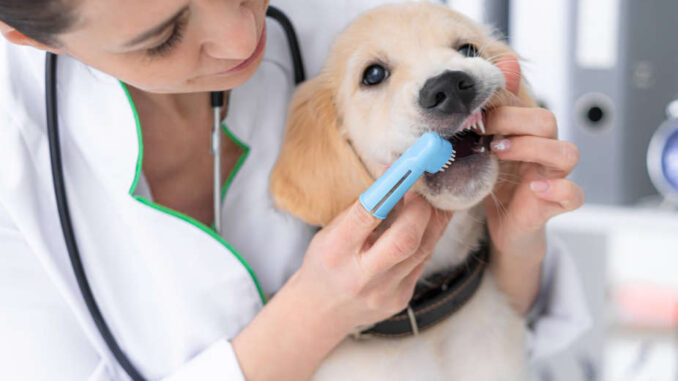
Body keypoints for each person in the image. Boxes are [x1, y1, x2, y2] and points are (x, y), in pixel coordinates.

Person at [0, 0, 590, 380]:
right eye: (162, 36)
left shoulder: (362, 20)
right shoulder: (15, 158)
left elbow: (517, 312)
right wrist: (315, 316)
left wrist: (516, 239)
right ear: (25, 37)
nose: (239, 38)